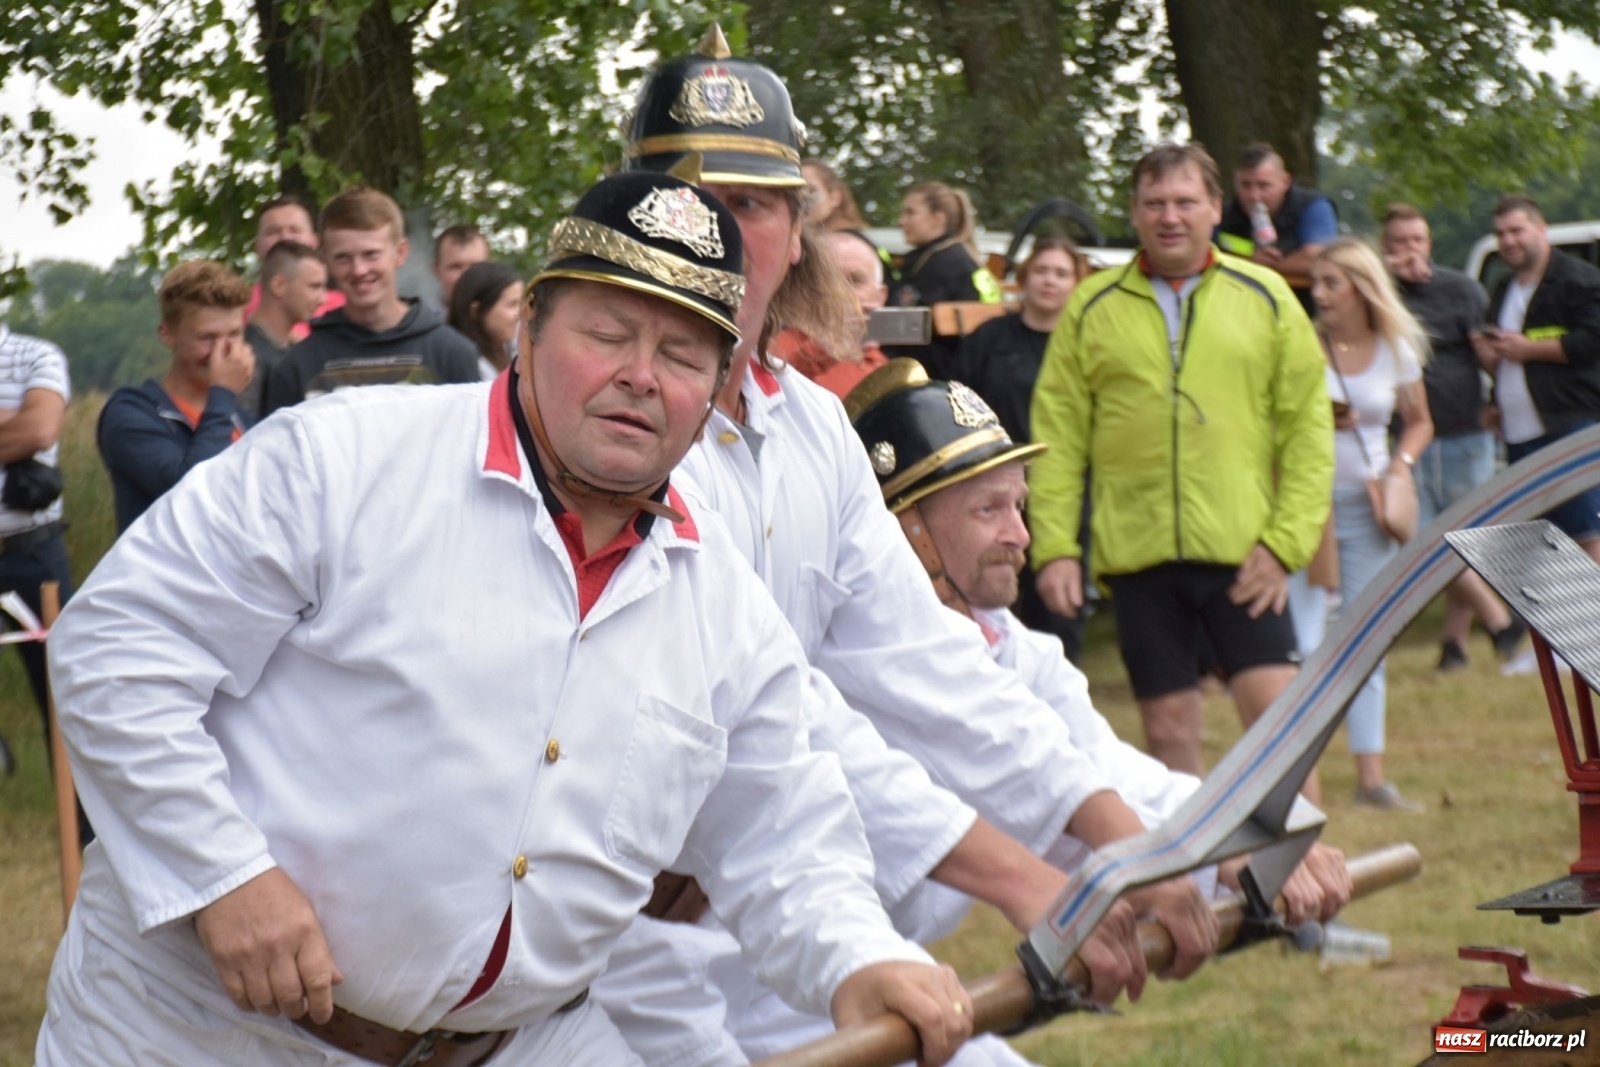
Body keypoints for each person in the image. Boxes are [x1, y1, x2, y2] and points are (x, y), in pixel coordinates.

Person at [39, 170, 976, 1067]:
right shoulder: (342, 463)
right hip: (193, 1030)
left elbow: (783, 824)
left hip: (519, 1042)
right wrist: (224, 875)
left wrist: (861, 955)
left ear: (718, 387)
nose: (641, 376)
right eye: (608, 334)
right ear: (529, 324)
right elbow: (118, 648)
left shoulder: (724, 608)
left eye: (684, 355)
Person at [600, 32, 1229, 1067]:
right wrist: (1035, 881)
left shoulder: (808, 427)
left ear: (799, 228)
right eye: (690, 199)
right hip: (612, 938)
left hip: (780, 909)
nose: (718, 233)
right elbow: (784, 714)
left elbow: (937, 670)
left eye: (753, 205)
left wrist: (1131, 845)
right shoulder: (619, 443)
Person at [1028, 142, 1334, 788]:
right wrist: (1054, 545)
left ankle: (1301, 875)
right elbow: (1057, 438)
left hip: (1245, 552)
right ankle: (1194, 881)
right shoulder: (1090, 306)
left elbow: (1308, 431)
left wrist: (1286, 543)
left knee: (1279, 724)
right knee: (1168, 735)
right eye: (1156, 203)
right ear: (1134, 213)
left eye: (1186, 202)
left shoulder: (1268, 295)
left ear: (1216, 209)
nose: (1171, 216)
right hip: (1138, 558)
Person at [1312, 238, 1434, 811]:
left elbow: (1419, 423)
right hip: (1306, 507)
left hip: (1371, 507)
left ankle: (1371, 778)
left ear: (1362, 289)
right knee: (1303, 642)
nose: (1319, 294)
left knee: (1368, 636)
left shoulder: (1396, 347)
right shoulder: (1302, 345)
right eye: (1317, 283)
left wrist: (1401, 468)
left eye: (1331, 283)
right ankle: (1294, 776)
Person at [1380, 203, 1525, 671]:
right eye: (1398, 243)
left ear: (1430, 244)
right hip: (1404, 440)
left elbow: (1487, 355)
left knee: (1466, 540)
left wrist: (1500, 400)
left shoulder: (1461, 289)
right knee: (1422, 540)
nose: (1409, 252)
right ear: (1384, 249)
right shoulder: (1376, 294)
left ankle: (1454, 646)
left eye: (1416, 241)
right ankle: (1500, 621)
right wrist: (1382, 276)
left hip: (1465, 430)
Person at [955, 237, 1090, 661]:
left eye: (1061, 273)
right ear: (1025, 277)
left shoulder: (1085, 347)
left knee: (1056, 606)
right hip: (991, 491)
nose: (1050, 280)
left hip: (1063, 491)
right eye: (1042, 270)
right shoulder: (987, 339)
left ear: (1076, 284)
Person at [260, 187, 480, 414]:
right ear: (325, 260)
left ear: (400, 253)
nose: (359, 270)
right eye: (343, 257)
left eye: (371, 254)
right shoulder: (298, 365)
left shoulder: (451, 353)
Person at [1474, 194, 1600, 567]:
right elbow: (1510, 357)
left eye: (1517, 230)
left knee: (1586, 532)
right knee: (1538, 542)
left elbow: (1592, 342)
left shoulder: (1580, 280)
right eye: (1501, 234)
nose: (1509, 241)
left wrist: (1530, 349)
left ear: (1541, 229)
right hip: (1517, 435)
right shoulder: (1503, 290)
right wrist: (1493, 378)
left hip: (1570, 426)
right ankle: (1553, 624)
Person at [98, 260, 253, 534]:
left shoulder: (240, 415)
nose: (223, 352)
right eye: (207, 338)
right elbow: (191, 495)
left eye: (234, 335)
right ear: (168, 335)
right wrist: (223, 394)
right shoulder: (131, 413)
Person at [0, 326, 72, 783]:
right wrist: (12, 422)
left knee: (65, 701)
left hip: (32, 554)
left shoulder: (35, 356)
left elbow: (41, 428)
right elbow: (24, 430)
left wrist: (26, 424)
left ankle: (86, 832)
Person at [885, 181, 1002, 381]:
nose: (901, 221)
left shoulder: (942, 266)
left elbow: (898, 328)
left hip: (938, 383)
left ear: (937, 219)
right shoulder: (953, 258)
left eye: (910, 213)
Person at [1216, 144, 1338, 315]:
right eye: (1246, 185)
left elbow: (1318, 260)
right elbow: (1204, 254)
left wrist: (1264, 265)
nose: (1254, 196)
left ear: (1285, 182)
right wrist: (1252, 260)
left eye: (1264, 186)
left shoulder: (1312, 206)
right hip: (1239, 311)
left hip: (1303, 310)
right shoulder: (1221, 214)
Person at [772, 229, 888, 398]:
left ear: (879, 296)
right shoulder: (770, 350)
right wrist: (819, 352)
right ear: (804, 290)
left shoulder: (888, 369)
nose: (841, 292)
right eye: (828, 279)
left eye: (855, 280)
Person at [242, 240, 329, 418]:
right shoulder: (247, 357)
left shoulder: (291, 348)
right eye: (314, 287)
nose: (322, 300)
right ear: (278, 286)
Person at [243, 195, 345, 338]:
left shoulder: (346, 306)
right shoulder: (237, 306)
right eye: (272, 232)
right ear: (257, 246)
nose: (285, 237)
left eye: (294, 230)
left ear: (314, 242)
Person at [447, 260, 521, 380]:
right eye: (512, 305)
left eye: (520, 304)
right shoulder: (466, 364)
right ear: (477, 311)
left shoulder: (513, 352)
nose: (520, 314)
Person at [802, 159, 869, 232]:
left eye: (811, 191)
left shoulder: (843, 240)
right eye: (793, 192)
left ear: (834, 197)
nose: (800, 198)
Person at [433, 223, 491, 307]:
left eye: (475, 266)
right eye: (455, 267)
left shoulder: (511, 316)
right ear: (437, 271)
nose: (466, 276)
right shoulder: (419, 319)